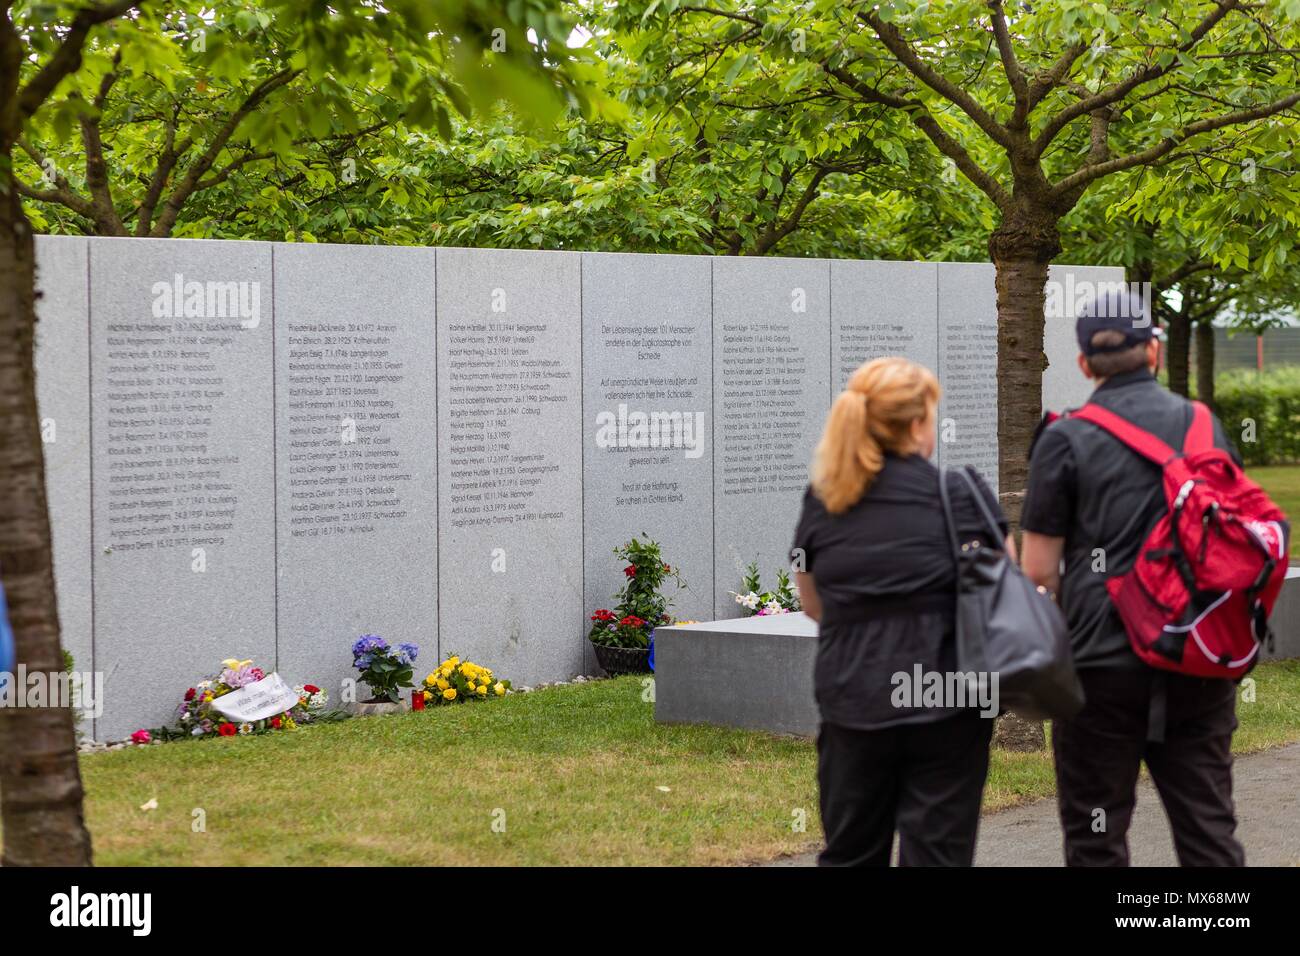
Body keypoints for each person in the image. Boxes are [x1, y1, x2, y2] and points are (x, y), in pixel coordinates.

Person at [1021, 289, 1246, 866]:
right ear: (1153, 350)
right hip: (1195, 654)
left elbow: (1039, 570)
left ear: (1083, 365)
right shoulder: (1203, 425)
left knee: (1096, 834)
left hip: (1100, 666)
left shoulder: (1063, 438)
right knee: (1207, 828)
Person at [791, 356, 1013, 866]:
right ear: (918, 423)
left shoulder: (826, 499)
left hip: (855, 701)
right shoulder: (959, 493)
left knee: (851, 854)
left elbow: (812, 602)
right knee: (938, 857)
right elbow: (1005, 591)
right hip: (949, 704)